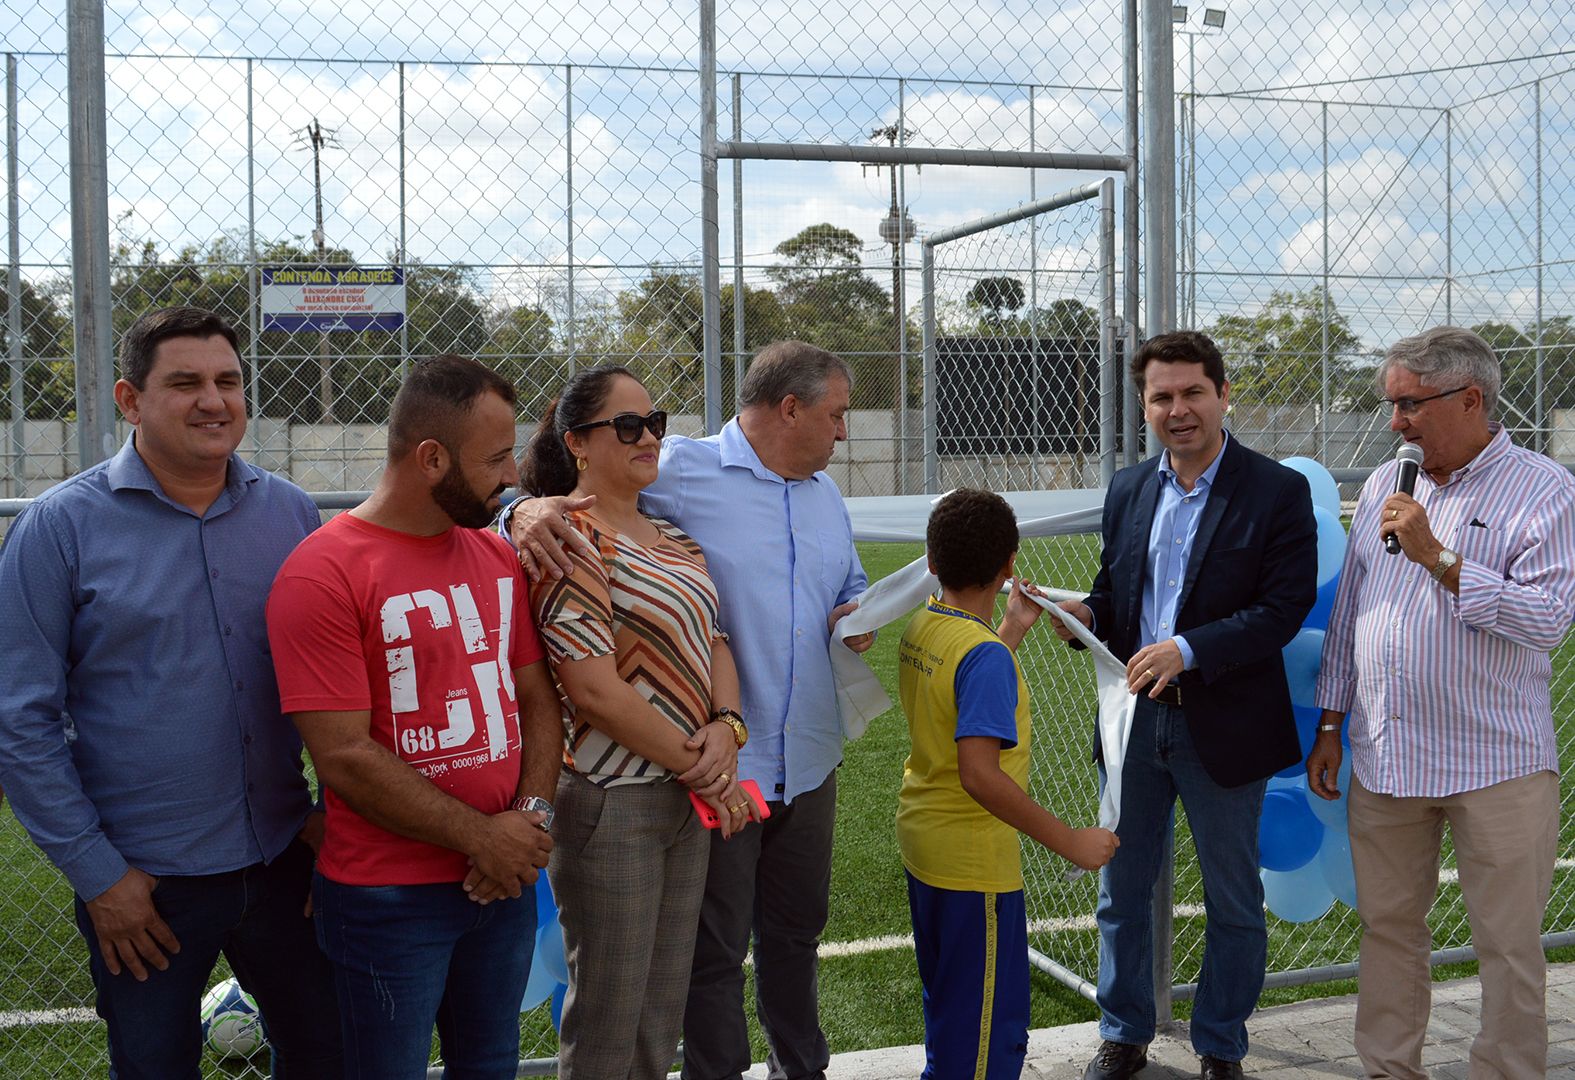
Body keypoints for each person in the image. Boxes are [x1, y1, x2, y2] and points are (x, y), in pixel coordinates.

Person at [506, 340, 872, 1080]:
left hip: (802, 758)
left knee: (792, 940)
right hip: (706, 774)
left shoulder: (822, 495)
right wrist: (520, 509)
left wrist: (852, 612)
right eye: (834, 415)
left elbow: (812, 598)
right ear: (789, 407)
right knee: (699, 964)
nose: (842, 432)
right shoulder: (679, 470)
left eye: (653, 423)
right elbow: (568, 493)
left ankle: (802, 1069)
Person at [0, 306, 342, 1078]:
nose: (213, 401)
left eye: (228, 381)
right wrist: (100, 879)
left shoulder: (290, 514)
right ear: (129, 399)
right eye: (184, 383)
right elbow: (19, 723)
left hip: (285, 861)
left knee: (331, 1055)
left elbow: (340, 677)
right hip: (143, 891)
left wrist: (332, 818)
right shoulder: (59, 529)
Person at [265, 353, 561, 1079]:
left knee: (490, 1065)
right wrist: (482, 838)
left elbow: (536, 700)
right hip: (387, 898)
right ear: (431, 458)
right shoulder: (322, 572)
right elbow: (343, 756)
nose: (511, 477)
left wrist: (529, 821)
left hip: (504, 882)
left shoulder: (493, 558)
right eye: (494, 458)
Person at [1308, 326, 1575, 1080]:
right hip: (1388, 756)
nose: (1393, 422)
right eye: (1390, 405)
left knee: (1506, 944)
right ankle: (1389, 1070)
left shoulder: (1545, 489)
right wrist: (1331, 721)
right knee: (1389, 930)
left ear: (1469, 399)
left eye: (1407, 405)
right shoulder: (1389, 486)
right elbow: (1351, 617)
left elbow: (1546, 619)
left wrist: (1439, 558)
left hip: (1497, 762)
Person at [1051, 330, 1317, 1080]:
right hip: (1135, 723)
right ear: (1144, 406)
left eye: (1192, 392)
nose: (1178, 409)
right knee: (1120, 890)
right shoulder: (1131, 487)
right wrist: (1077, 613)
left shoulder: (1274, 490)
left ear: (1223, 394)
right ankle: (1124, 1030)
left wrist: (1188, 649)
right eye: (1161, 396)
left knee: (1233, 899)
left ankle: (1220, 1045)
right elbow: (1116, 597)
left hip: (1223, 725)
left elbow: (1282, 606)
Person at [519, 364, 757, 1079]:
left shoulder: (671, 537)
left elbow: (714, 638)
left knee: (658, 1015)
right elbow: (590, 690)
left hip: (681, 797)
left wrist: (727, 727)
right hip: (609, 801)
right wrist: (705, 767)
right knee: (607, 1020)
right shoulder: (568, 539)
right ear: (577, 443)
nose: (650, 437)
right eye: (628, 426)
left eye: (655, 423)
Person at [899, 488, 1119, 1080]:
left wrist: (1012, 626)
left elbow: (964, 684)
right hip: (974, 866)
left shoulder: (927, 623)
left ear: (932, 560)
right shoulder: (983, 657)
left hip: (927, 843)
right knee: (987, 1036)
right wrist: (1071, 841)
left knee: (951, 1013)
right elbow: (979, 774)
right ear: (1010, 564)